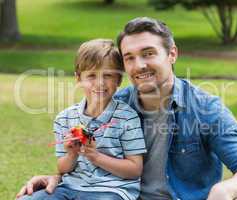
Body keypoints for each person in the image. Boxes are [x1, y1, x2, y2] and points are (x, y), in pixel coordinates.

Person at [16, 17, 237, 200]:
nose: (139, 65)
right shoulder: (115, 105)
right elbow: (88, 161)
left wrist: (227, 191)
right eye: (129, 57)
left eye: (148, 53)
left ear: (172, 54)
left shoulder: (205, 109)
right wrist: (56, 178)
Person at [18, 39, 147, 200]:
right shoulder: (64, 118)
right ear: (78, 78)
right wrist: (71, 154)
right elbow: (63, 168)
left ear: (119, 80)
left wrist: (95, 156)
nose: (100, 83)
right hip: (70, 186)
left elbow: (134, 169)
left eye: (108, 75)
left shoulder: (127, 117)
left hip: (112, 190)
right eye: (91, 75)